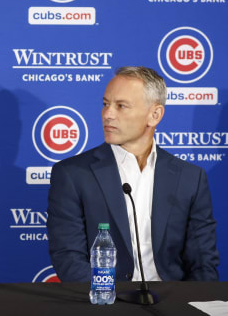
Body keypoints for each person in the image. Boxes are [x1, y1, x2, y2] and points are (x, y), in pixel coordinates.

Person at [47, 66, 219, 282]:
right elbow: (69, 258)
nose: (107, 114)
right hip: (105, 301)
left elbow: (203, 263)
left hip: (173, 302)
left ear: (154, 115)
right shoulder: (72, 174)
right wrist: (109, 299)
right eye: (105, 104)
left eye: (121, 106)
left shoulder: (191, 178)